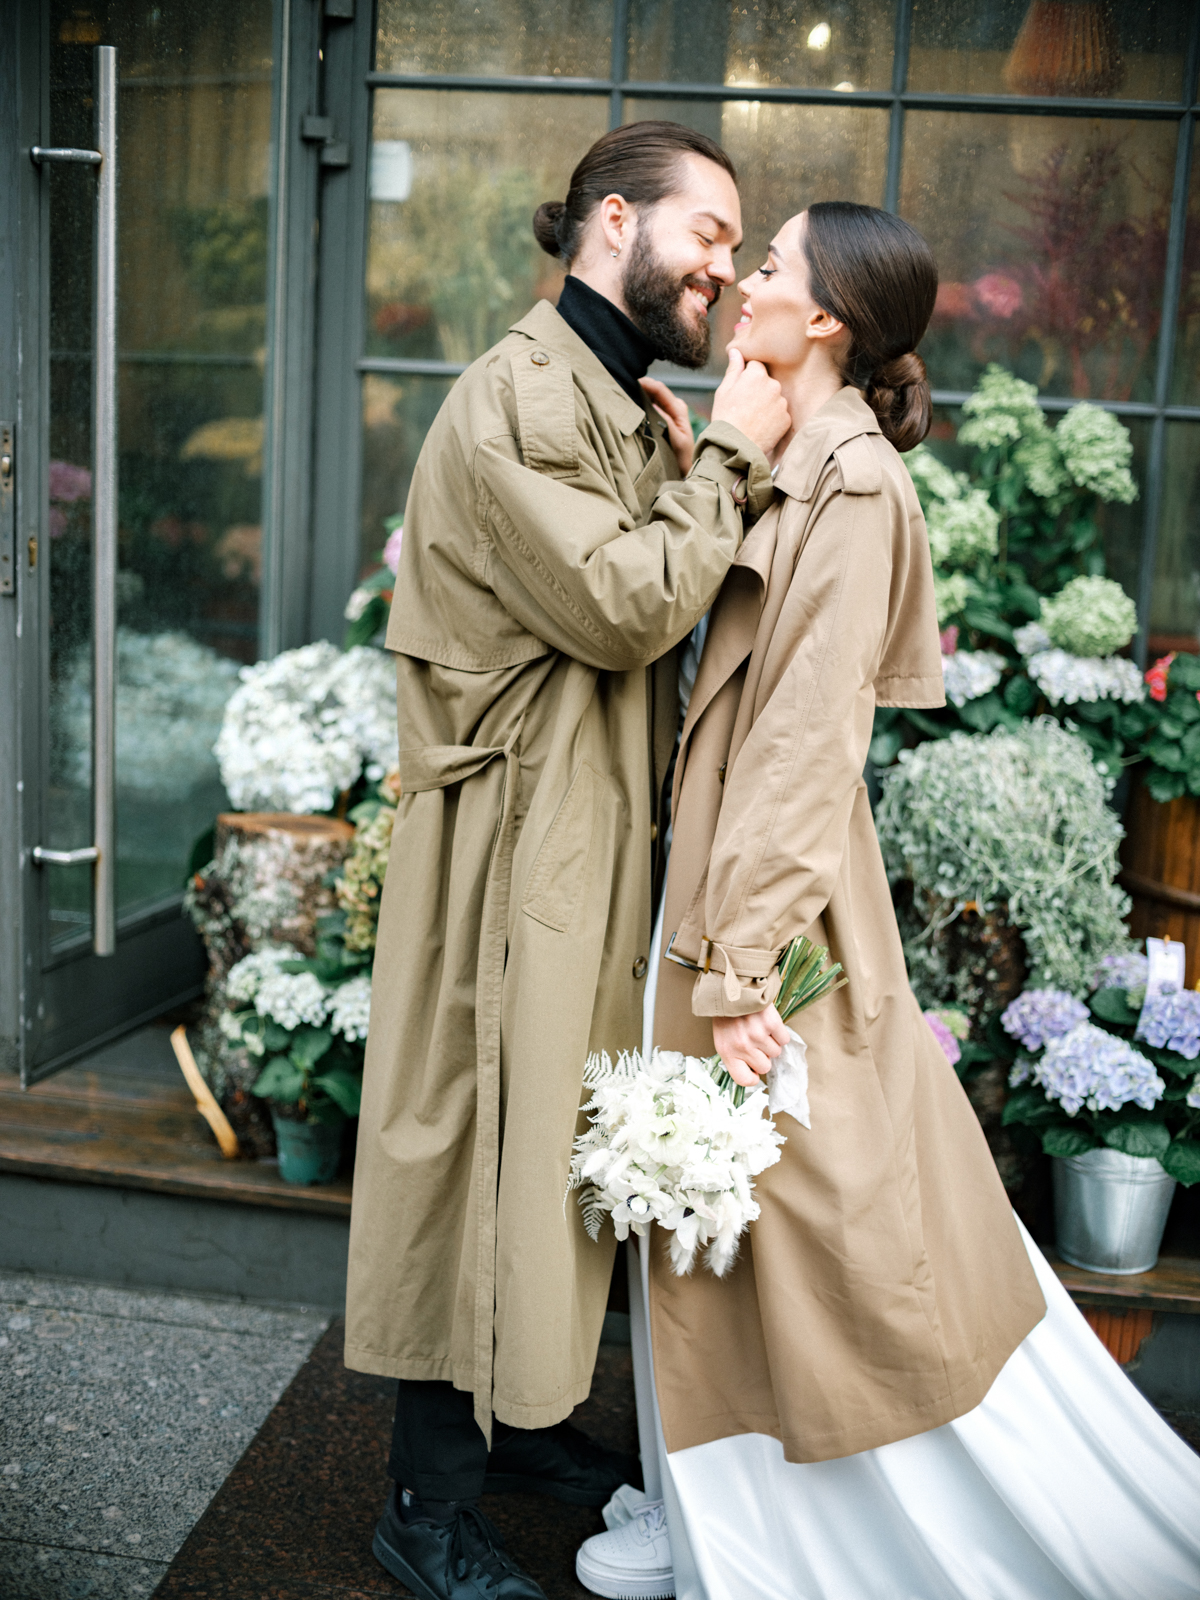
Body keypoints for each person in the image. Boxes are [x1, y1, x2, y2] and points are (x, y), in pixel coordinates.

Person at [575, 201, 1200, 1600]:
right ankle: (704, 1500)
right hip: (734, 873)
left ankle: (777, 1527)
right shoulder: (796, 451)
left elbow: (806, 739)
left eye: (772, 269)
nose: (741, 284)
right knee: (727, 1199)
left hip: (766, 897)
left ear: (830, 323)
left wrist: (741, 967)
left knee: (777, 1203)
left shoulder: (856, 487)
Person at [345, 121, 791, 1600]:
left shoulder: (618, 392)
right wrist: (732, 447)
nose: (726, 270)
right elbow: (622, 604)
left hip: (586, 831)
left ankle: (520, 1419)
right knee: (481, 1143)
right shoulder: (521, 396)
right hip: (510, 846)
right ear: (615, 221)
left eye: (739, 248)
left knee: (563, 1151)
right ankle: (426, 1504)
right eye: (711, 235)